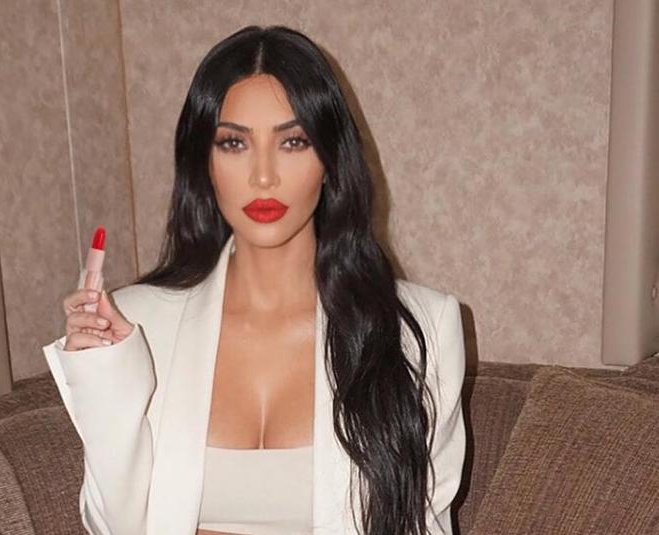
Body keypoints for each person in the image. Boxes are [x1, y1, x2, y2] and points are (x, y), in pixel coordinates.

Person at [43, 25, 466, 535]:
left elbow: (424, 523)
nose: (264, 176)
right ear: (205, 161)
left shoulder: (420, 327)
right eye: (234, 143)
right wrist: (105, 376)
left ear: (330, 159)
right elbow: (112, 526)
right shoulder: (137, 322)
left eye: (293, 142)